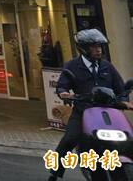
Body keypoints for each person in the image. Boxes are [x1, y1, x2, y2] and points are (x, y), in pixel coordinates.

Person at [47, 29, 132, 180]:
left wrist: (125, 99)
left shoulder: (107, 66)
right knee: (69, 139)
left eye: (99, 46)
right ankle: (55, 173)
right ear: (84, 48)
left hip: (109, 113)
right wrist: (64, 93)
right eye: (93, 46)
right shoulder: (72, 66)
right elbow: (62, 86)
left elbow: (120, 89)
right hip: (83, 111)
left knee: (128, 137)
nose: (98, 49)